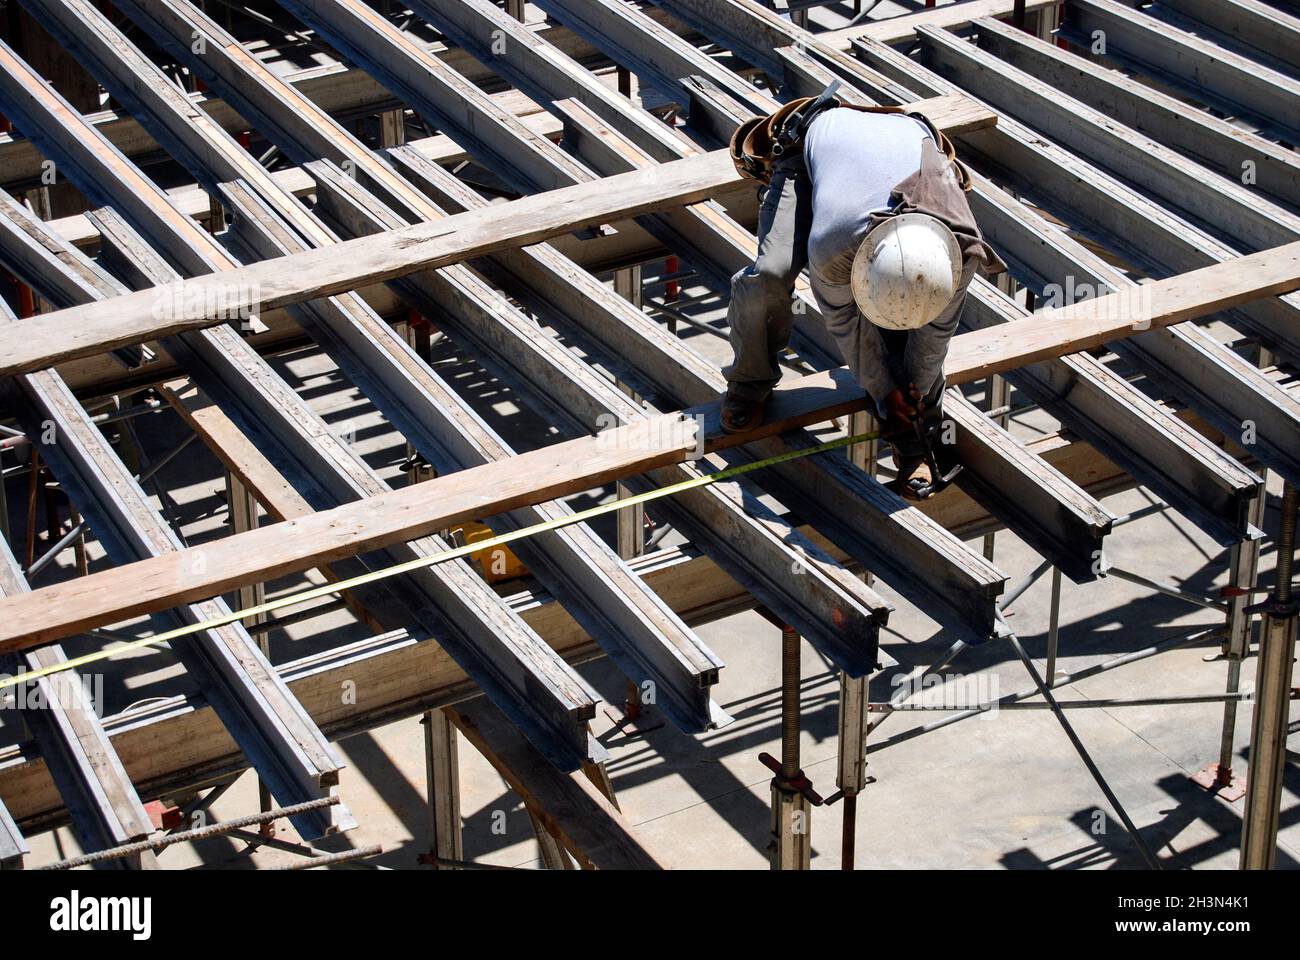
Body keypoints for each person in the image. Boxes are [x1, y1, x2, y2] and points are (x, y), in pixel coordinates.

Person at [722, 92, 1004, 500]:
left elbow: (933, 337)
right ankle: (748, 384)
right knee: (769, 275)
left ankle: (914, 440)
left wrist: (916, 392)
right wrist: (886, 389)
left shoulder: (959, 250)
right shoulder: (833, 246)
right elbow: (848, 325)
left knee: (911, 323)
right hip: (807, 149)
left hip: (913, 142)